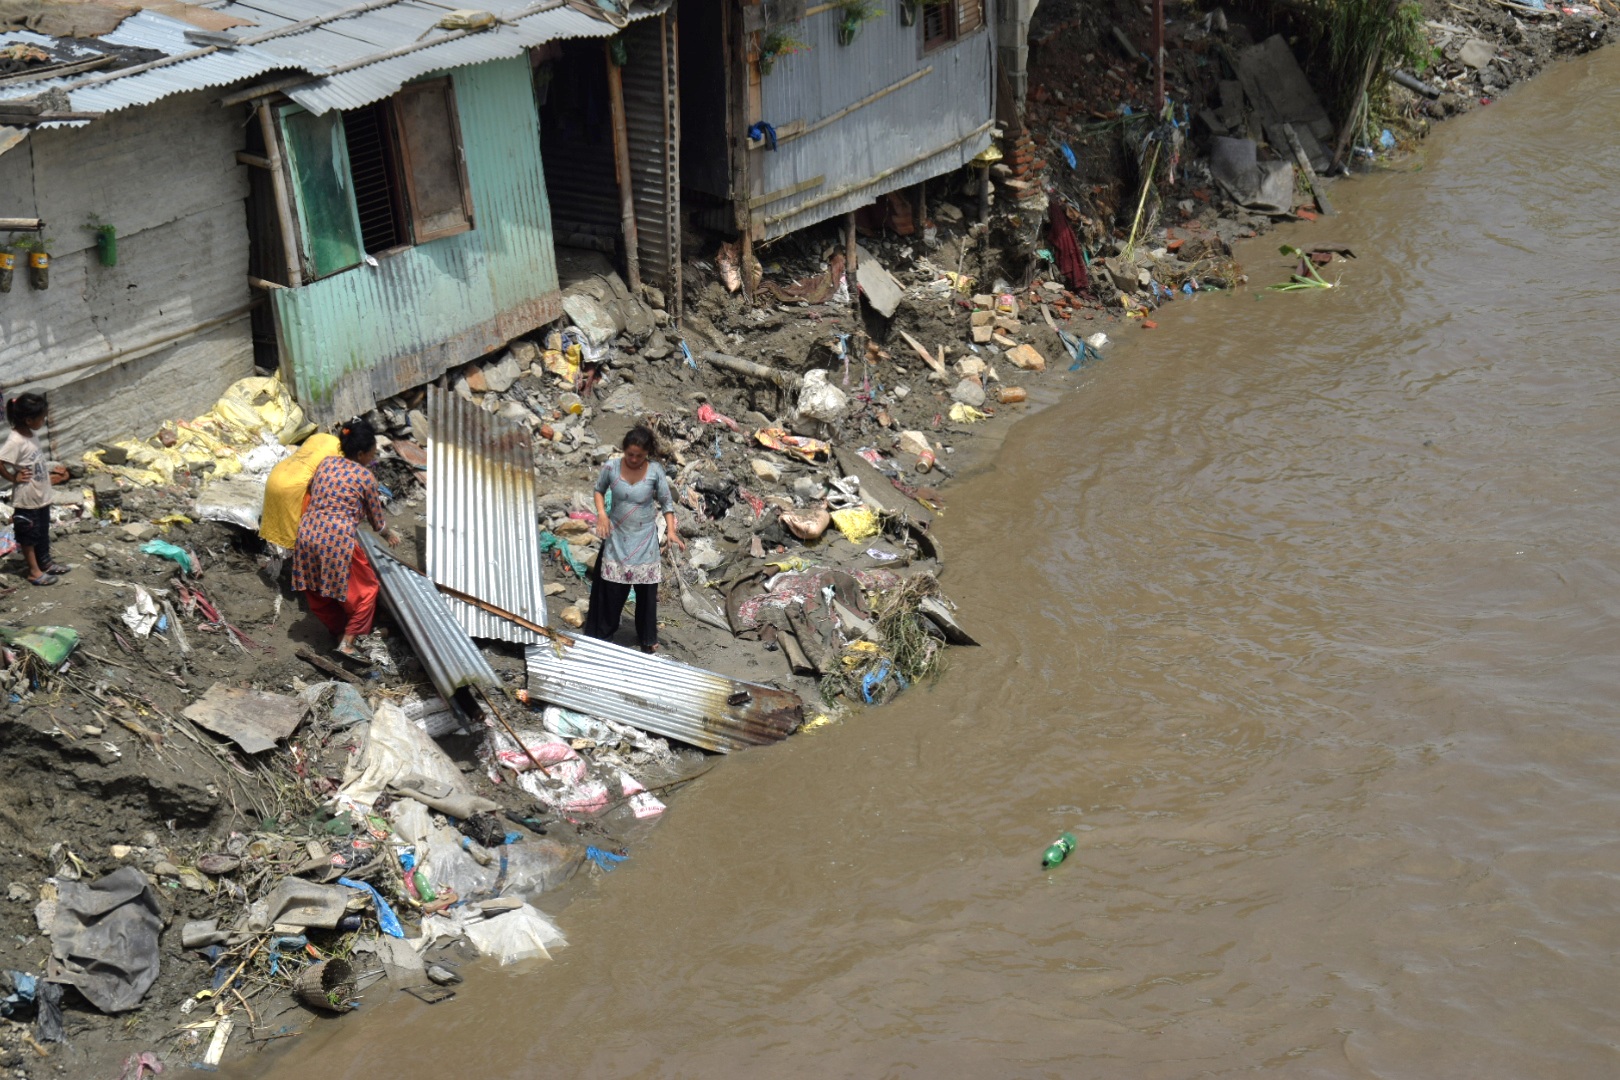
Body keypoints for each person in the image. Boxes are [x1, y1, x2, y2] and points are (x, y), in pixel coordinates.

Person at [291, 420, 400, 657]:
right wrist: (388, 533)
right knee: (367, 590)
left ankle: (339, 632)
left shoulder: (326, 463)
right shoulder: (365, 477)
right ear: (361, 453)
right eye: (372, 451)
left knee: (318, 590)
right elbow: (376, 519)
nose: (374, 454)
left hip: (307, 533)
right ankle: (348, 643)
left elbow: (312, 489)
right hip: (337, 539)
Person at [585, 425, 685, 653]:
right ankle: (604, 635)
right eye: (630, 454)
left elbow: (667, 503)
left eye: (639, 456)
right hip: (617, 539)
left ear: (647, 454)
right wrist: (601, 514)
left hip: (644, 542)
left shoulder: (655, 471)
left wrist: (670, 531)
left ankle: (647, 638)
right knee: (611, 591)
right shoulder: (611, 467)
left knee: (646, 594)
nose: (633, 459)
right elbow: (598, 490)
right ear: (624, 450)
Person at [1, 393, 71, 587]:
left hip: (41, 496)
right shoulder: (15, 441)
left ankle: (45, 562)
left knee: (41, 532)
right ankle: (34, 572)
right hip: (27, 498)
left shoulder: (31, 434)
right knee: (28, 536)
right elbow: (1, 461)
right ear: (29, 419)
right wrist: (13, 477)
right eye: (42, 418)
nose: (44, 421)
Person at [259, 432, 342, 550]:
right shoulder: (341, 453)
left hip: (277, 475)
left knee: (277, 524)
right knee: (296, 530)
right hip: (295, 484)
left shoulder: (319, 437)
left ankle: (275, 551)